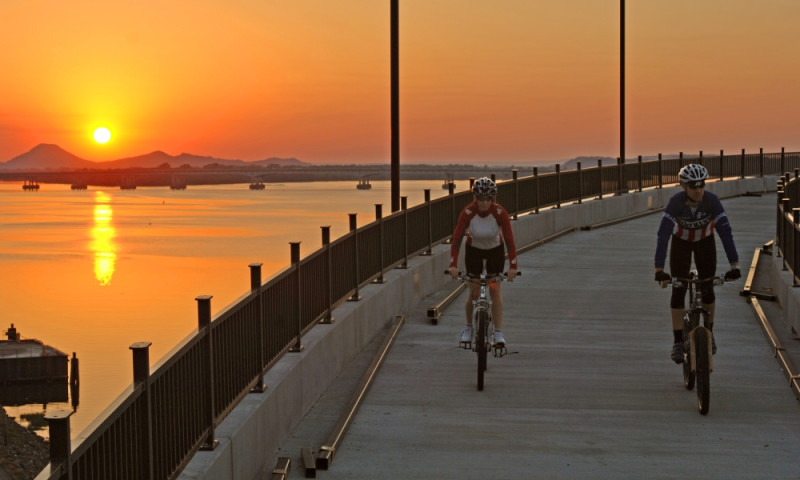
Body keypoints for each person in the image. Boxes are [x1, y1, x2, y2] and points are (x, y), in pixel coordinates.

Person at [654, 164, 741, 364]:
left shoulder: (712, 201)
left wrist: (734, 265)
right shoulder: (676, 203)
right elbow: (663, 234)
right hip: (681, 244)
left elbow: (725, 233)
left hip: (705, 243)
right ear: (684, 186)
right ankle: (677, 342)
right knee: (679, 289)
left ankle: (709, 334)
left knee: (708, 288)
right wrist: (659, 269)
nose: (698, 190)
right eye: (693, 186)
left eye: (701, 185)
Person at [449, 177, 518, 347]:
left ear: (493, 199)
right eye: (480, 199)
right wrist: (453, 265)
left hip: (495, 250)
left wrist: (513, 267)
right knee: (473, 291)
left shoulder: (499, 213)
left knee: (494, 291)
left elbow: (509, 241)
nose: (484, 203)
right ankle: (468, 328)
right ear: (475, 198)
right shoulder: (467, 213)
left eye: (488, 199)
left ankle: (498, 333)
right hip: (474, 252)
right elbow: (457, 240)